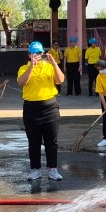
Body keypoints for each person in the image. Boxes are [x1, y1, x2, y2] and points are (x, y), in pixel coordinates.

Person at [17, 41, 65, 180]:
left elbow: (60, 80)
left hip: (50, 107)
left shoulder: (49, 66)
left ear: (43, 53)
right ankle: (35, 169)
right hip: (31, 109)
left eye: (39, 53)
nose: (36, 56)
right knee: (34, 142)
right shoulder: (23, 68)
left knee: (51, 141)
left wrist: (54, 63)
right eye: (33, 53)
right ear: (29, 55)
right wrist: (31, 66)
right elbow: (22, 82)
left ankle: (53, 169)